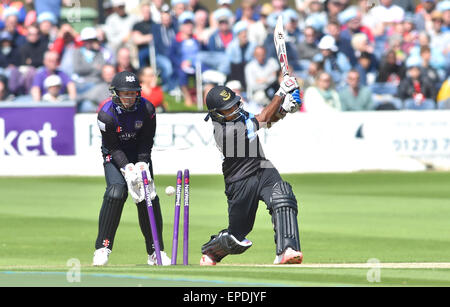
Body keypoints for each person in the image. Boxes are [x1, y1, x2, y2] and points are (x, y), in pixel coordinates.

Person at [199, 76, 303, 265]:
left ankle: (287, 249)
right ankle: (212, 251)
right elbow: (262, 117)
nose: (234, 109)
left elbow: (266, 121)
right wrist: (281, 93)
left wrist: (285, 109)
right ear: (217, 114)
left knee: (283, 197)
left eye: (234, 104)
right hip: (240, 181)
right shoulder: (225, 131)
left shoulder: (238, 116)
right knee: (237, 236)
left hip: (263, 168)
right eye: (228, 109)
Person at [93, 71, 171, 266]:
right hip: (115, 155)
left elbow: (146, 141)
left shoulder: (147, 109)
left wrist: (143, 162)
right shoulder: (106, 114)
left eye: (133, 93)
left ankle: (155, 252)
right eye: (125, 93)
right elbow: (113, 147)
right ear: (116, 93)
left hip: (139, 155)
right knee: (116, 192)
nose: (129, 98)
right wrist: (126, 168)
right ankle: (103, 248)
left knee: (148, 197)